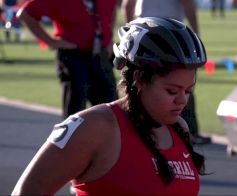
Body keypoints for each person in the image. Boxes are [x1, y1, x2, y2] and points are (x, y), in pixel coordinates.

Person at [12, 17, 207, 195]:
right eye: (172, 91)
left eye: (188, 91)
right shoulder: (95, 127)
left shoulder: (179, 128)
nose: (182, 100)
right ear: (140, 80)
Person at [121, 0, 211, 145]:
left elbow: (128, 5)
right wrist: (195, 34)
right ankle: (189, 133)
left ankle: (136, 129)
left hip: (144, 34)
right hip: (171, 35)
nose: (182, 99)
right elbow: (188, 4)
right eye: (171, 91)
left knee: (151, 89)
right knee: (179, 84)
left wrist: (131, 34)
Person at [16, 0, 118, 118]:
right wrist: (51, 42)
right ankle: (73, 136)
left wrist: (109, 37)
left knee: (112, 108)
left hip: (101, 54)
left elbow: (112, 9)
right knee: (76, 110)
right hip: (73, 55)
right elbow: (25, 14)